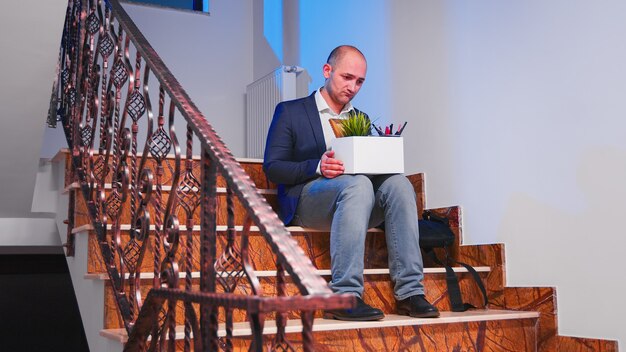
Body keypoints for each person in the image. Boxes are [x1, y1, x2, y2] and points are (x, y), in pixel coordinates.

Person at [263, 45, 439, 321]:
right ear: (327, 71)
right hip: (309, 200)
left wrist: (383, 158)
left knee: (400, 185)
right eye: (347, 77)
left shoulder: (361, 118)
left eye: (359, 81)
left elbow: (365, 170)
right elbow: (273, 168)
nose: (353, 87)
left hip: (357, 198)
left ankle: (410, 293)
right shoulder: (291, 112)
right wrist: (317, 166)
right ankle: (344, 295)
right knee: (356, 186)